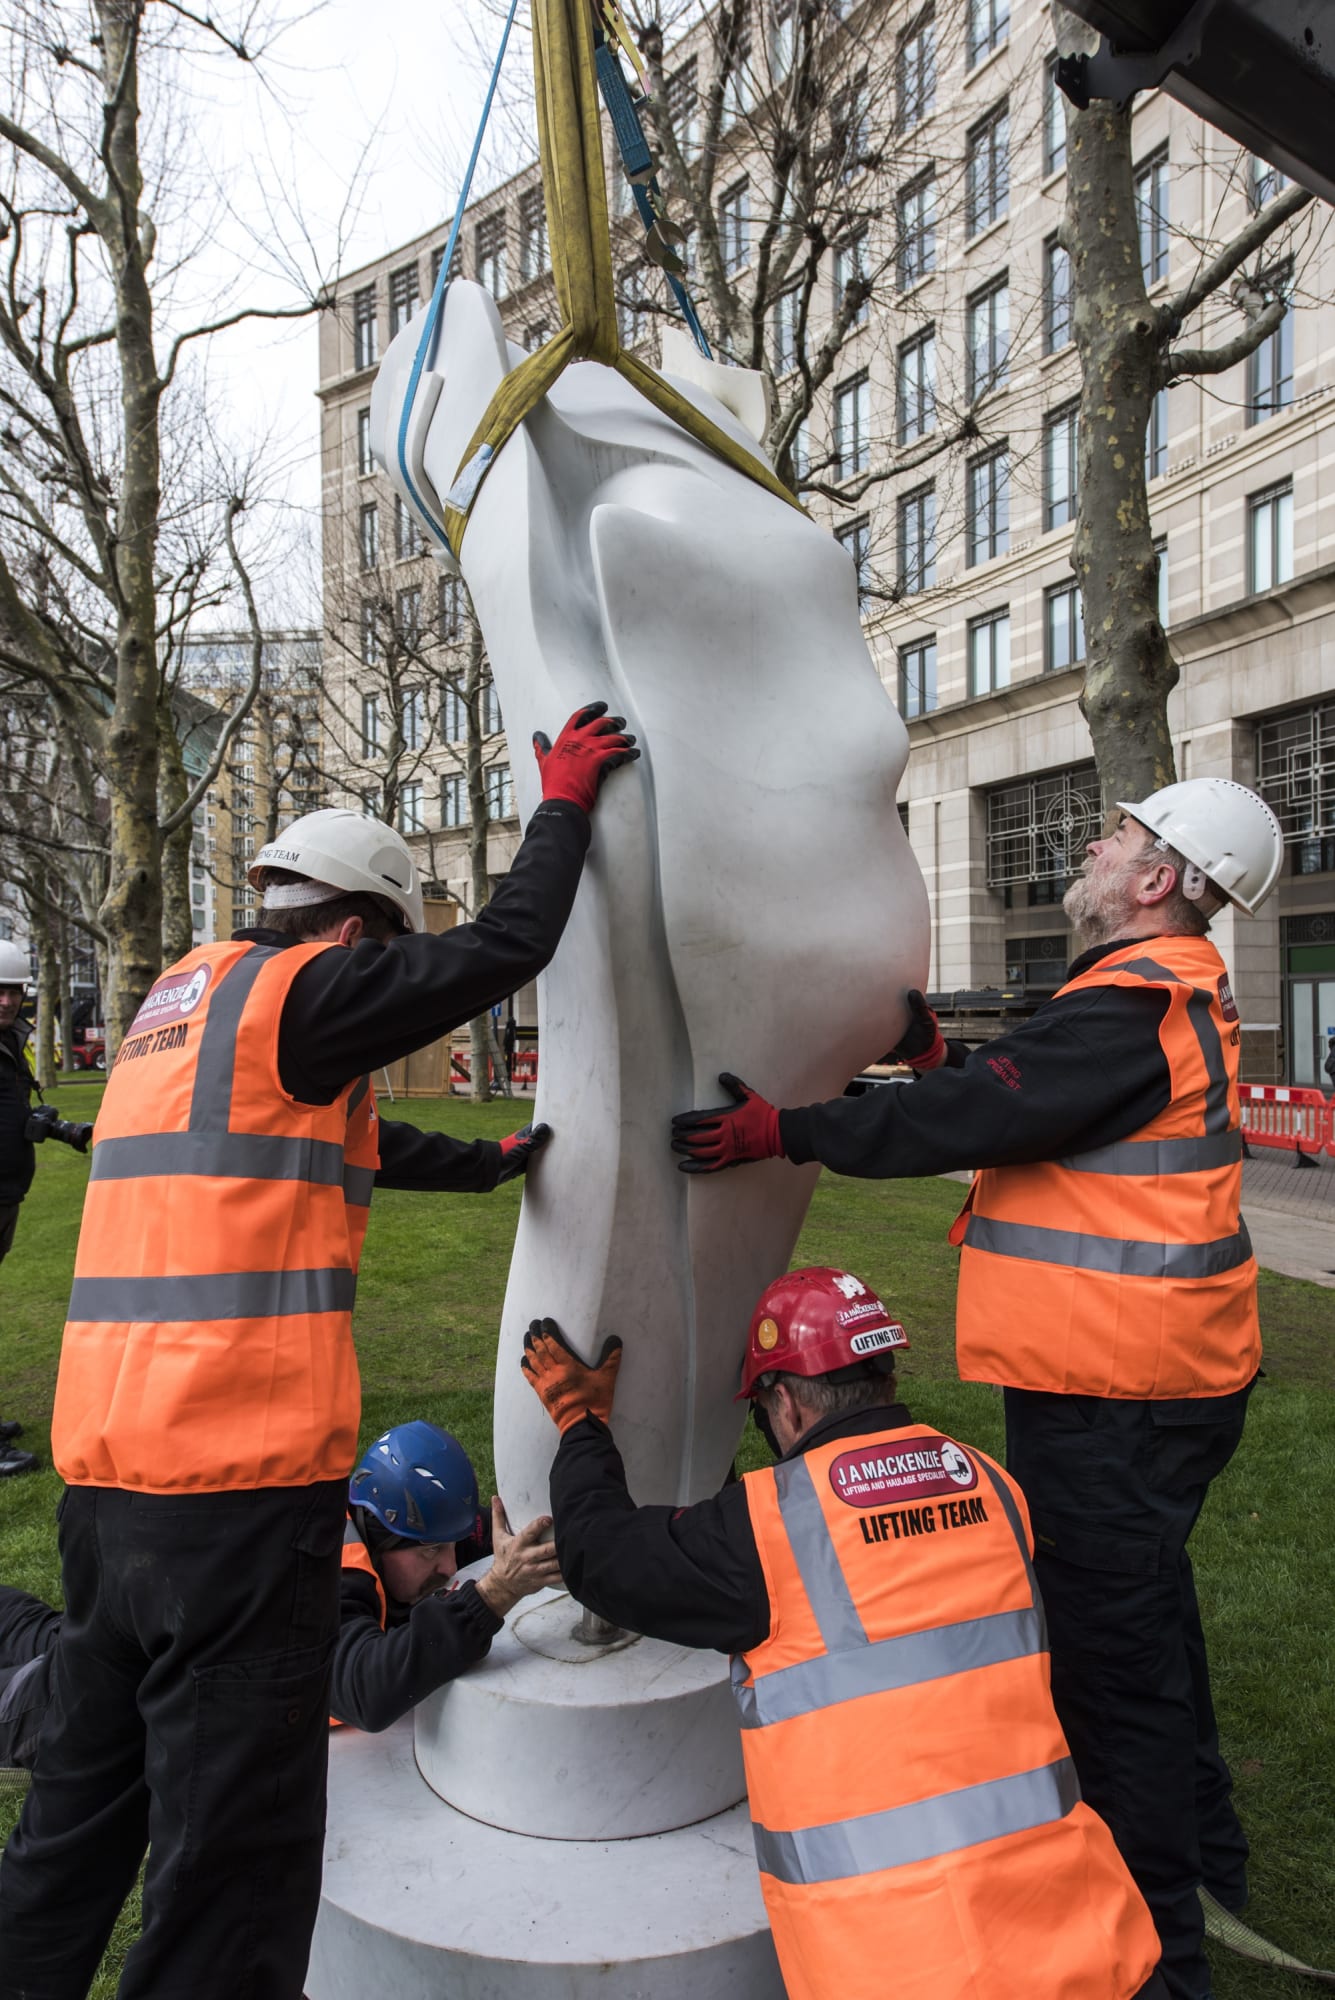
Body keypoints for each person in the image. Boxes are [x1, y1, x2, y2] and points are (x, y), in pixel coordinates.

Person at [0, 699, 638, 2000]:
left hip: (109, 1493)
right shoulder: (306, 992)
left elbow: (347, 1139)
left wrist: (486, 1164)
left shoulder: (182, 1007)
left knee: (77, 1823)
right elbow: (507, 945)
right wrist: (563, 803)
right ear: (356, 935)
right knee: (232, 1867)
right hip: (237, 1509)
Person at [669, 776, 1284, 2000]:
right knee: (1149, 1616)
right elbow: (1040, 1104)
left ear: (1158, 879)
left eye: (1120, 836)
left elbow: (969, 1117)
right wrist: (947, 1056)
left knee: (1112, 1667)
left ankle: (1163, 1953)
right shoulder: (1156, 993)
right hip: (1155, 1372)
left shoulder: (1133, 1001)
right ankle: (1213, 1853)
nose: (1097, 846)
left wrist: (791, 1131)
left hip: (1115, 1386)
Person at [520, 1267, 1166, 2000]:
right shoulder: (993, 1486)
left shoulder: (766, 1528)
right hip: (1092, 1941)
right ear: (884, 1379)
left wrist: (579, 1422)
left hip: (906, 1970)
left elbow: (599, 1556)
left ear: (785, 1403)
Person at [0, 1421, 560, 1773]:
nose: (448, 1567)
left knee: (38, 1630)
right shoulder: (328, 1577)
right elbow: (365, 1689)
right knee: (33, 1703)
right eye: (430, 1552)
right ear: (378, 1530)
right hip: (132, 1694)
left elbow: (476, 1540)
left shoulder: (390, 1528)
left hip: (148, 1628)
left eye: (452, 1547)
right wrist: (490, 1596)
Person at [0, 945, 49, 1478]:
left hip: (6, 1193)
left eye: (13, 990)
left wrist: (47, 1126)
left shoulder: (13, 1043)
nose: (6, 1000)